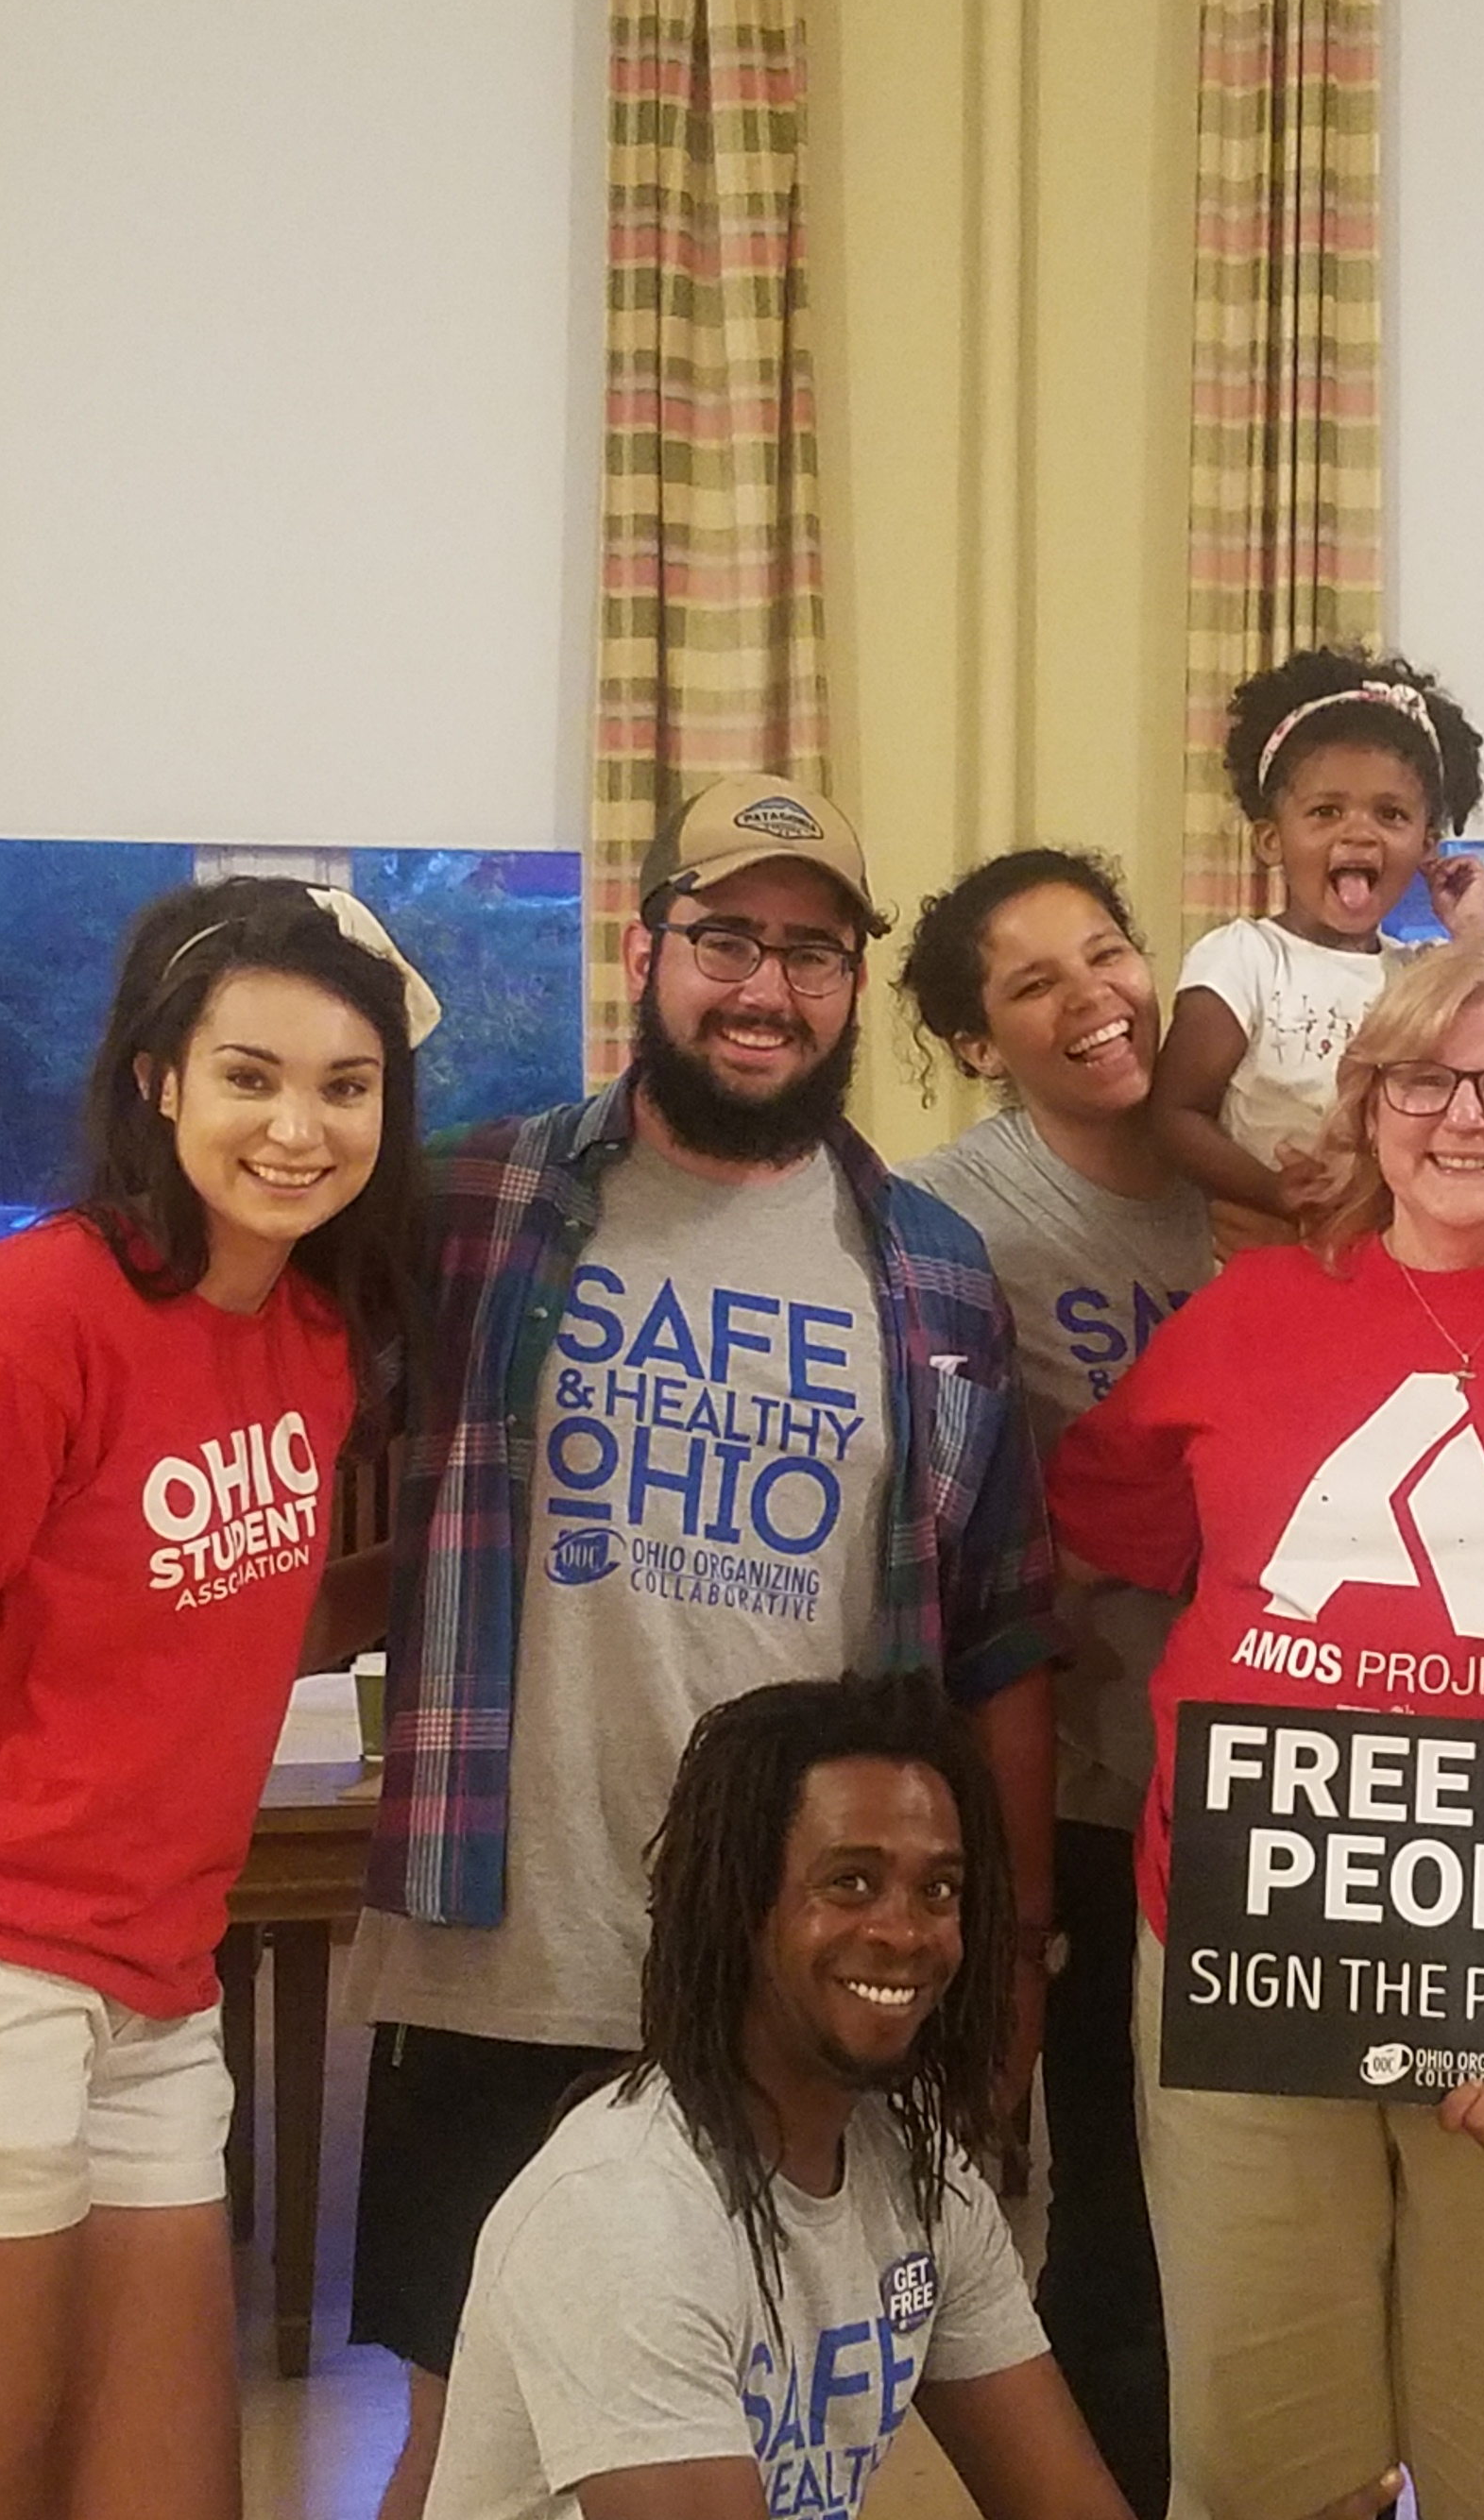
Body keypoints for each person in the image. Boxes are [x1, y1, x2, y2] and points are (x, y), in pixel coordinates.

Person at [344, 775, 1063, 2519]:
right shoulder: (468, 1206)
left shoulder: (934, 1272)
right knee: (469, 2446)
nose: (765, 983)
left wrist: (1009, 1970)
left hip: (793, 1962)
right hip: (509, 1945)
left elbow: (1000, 1639)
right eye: (726, 935)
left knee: (778, 2425)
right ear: (649, 943)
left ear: (855, 981)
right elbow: (205, 1298)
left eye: (811, 949)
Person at [0, 877, 435, 2520]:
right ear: (160, 1080)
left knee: (166, 2490)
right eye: (249, 1074)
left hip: (155, 1980)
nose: (298, 1125)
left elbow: (229, 1605)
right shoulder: (32, 1315)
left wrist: (495, 1568)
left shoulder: (307, 1329)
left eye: (344, 1085)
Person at [1051, 938, 1484, 2520]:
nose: (1462, 1114)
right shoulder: (1250, 1305)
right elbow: (1110, 1536)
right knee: (1261, 2452)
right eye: (1420, 1075)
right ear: (1362, 1103)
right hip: (1243, 1930)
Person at [424, 1673, 1132, 2520]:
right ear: (740, 1906)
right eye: (851, 1883)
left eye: (937, 1889)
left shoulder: (917, 2175)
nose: (903, 1932)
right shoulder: (621, 2215)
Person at [895, 848, 1220, 2519]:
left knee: (1270, 2216)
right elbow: (943, 1542)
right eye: (1032, 983)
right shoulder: (950, 1217)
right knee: (1114, 2219)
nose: (1093, 996)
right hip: (1093, 1790)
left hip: (1278, 1785)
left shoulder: (1247, 1184)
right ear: (974, 1036)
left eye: (1106, 952)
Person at [1148, 648, 1484, 1243]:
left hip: (1395, 1258)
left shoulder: (1422, 974)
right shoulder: (1243, 958)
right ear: (1271, 840)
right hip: (1269, 1255)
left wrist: (1473, 930)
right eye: (1326, 811)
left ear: (1426, 846)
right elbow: (1175, 1114)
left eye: (1390, 814)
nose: (1358, 830)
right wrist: (1272, 1190)